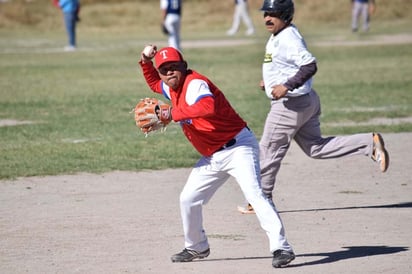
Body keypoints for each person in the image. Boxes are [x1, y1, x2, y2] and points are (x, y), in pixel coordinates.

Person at [138, 45, 295, 268]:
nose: (170, 72)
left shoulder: (195, 83)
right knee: (188, 198)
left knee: (255, 195)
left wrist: (172, 113)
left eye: (174, 67)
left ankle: (282, 248)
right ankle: (197, 246)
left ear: (183, 67)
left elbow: (207, 106)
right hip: (213, 156)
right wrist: (145, 60)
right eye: (165, 69)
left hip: (237, 147)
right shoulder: (171, 87)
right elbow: (155, 82)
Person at [238, 0, 389, 214]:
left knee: (268, 151)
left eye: (273, 14)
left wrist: (286, 86)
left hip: (290, 106)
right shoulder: (281, 35)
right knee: (315, 148)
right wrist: (271, 83)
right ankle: (368, 143)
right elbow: (285, 65)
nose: (267, 18)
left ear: (286, 15)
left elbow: (309, 65)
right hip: (305, 100)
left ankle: (261, 201)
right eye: (265, 14)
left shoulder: (288, 37)